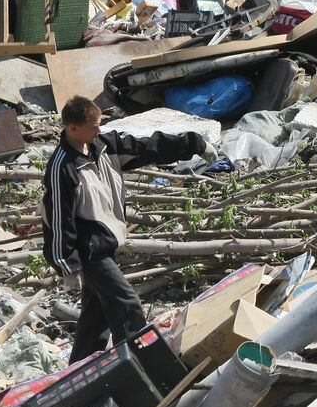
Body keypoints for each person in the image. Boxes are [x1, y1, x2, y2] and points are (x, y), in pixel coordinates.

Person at [42, 96, 217, 363]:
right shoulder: (62, 166)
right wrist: (66, 263)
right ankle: (144, 365)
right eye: (93, 126)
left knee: (95, 317)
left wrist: (193, 143)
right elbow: (57, 218)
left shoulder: (105, 146)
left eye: (100, 124)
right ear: (73, 128)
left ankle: (79, 368)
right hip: (90, 252)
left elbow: (149, 147)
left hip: (107, 245)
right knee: (127, 305)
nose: (99, 130)